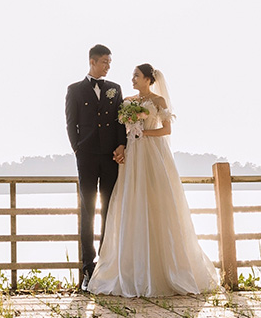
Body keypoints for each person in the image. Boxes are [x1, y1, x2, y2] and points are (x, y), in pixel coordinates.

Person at [87, 63, 220, 297]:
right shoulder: (127, 101)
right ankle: (131, 269)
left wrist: (143, 133)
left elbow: (166, 130)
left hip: (152, 154)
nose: (133, 79)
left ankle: (163, 269)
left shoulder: (159, 102)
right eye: (132, 76)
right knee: (131, 202)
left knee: (158, 203)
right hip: (132, 156)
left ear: (149, 79)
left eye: (136, 76)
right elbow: (122, 130)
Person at [65, 44, 127, 289]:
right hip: (87, 157)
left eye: (109, 62)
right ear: (92, 61)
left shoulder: (115, 89)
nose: (108, 66)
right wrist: (78, 150)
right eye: (104, 62)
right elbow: (71, 124)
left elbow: (121, 121)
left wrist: (121, 145)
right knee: (88, 211)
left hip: (111, 157)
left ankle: (106, 264)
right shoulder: (75, 90)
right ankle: (87, 269)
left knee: (110, 210)